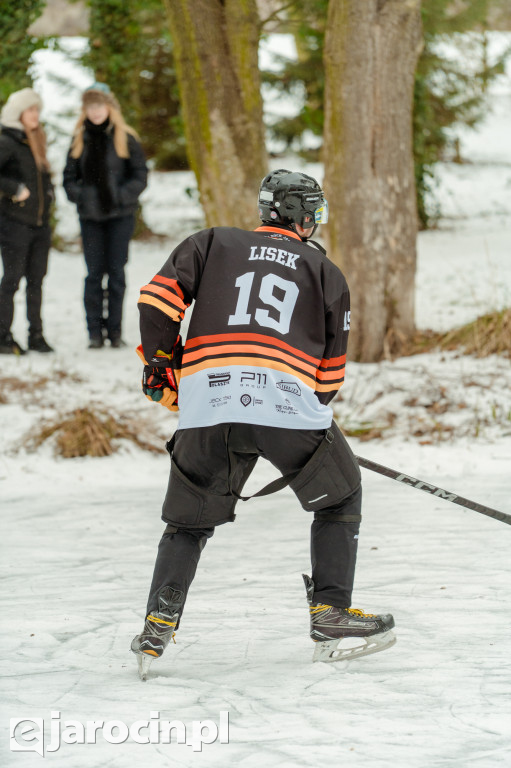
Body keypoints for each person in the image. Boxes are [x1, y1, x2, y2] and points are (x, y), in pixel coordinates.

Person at [131, 169, 395, 680]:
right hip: (286, 406)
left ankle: (158, 623)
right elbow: (328, 378)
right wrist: (306, 431)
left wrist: (163, 366)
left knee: (187, 521)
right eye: (314, 211)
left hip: (207, 403)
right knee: (340, 498)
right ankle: (332, 616)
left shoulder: (209, 242)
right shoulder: (325, 272)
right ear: (302, 216)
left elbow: (156, 302)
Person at [63, 83, 147, 348]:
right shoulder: (79, 139)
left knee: (117, 273)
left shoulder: (126, 138)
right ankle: (94, 333)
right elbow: (68, 179)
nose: (95, 111)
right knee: (93, 275)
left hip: (120, 217)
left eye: (99, 106)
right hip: (90, 219)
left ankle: (115, 332)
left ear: (109, 107)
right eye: (90, 107)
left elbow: (140, 175)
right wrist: (84, 196)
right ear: (85, 110)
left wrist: (121, 197)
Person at [0, 88, 55, 354]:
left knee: (36, 281)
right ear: (18, 113)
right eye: (31, 110)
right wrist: (13, 189)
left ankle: (36, 336)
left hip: (39, 225)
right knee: (11, 280)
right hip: (14, 224)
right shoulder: (7, 141)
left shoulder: (34, 138)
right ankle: (3, 337)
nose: (36, 115)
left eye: (37, 110)